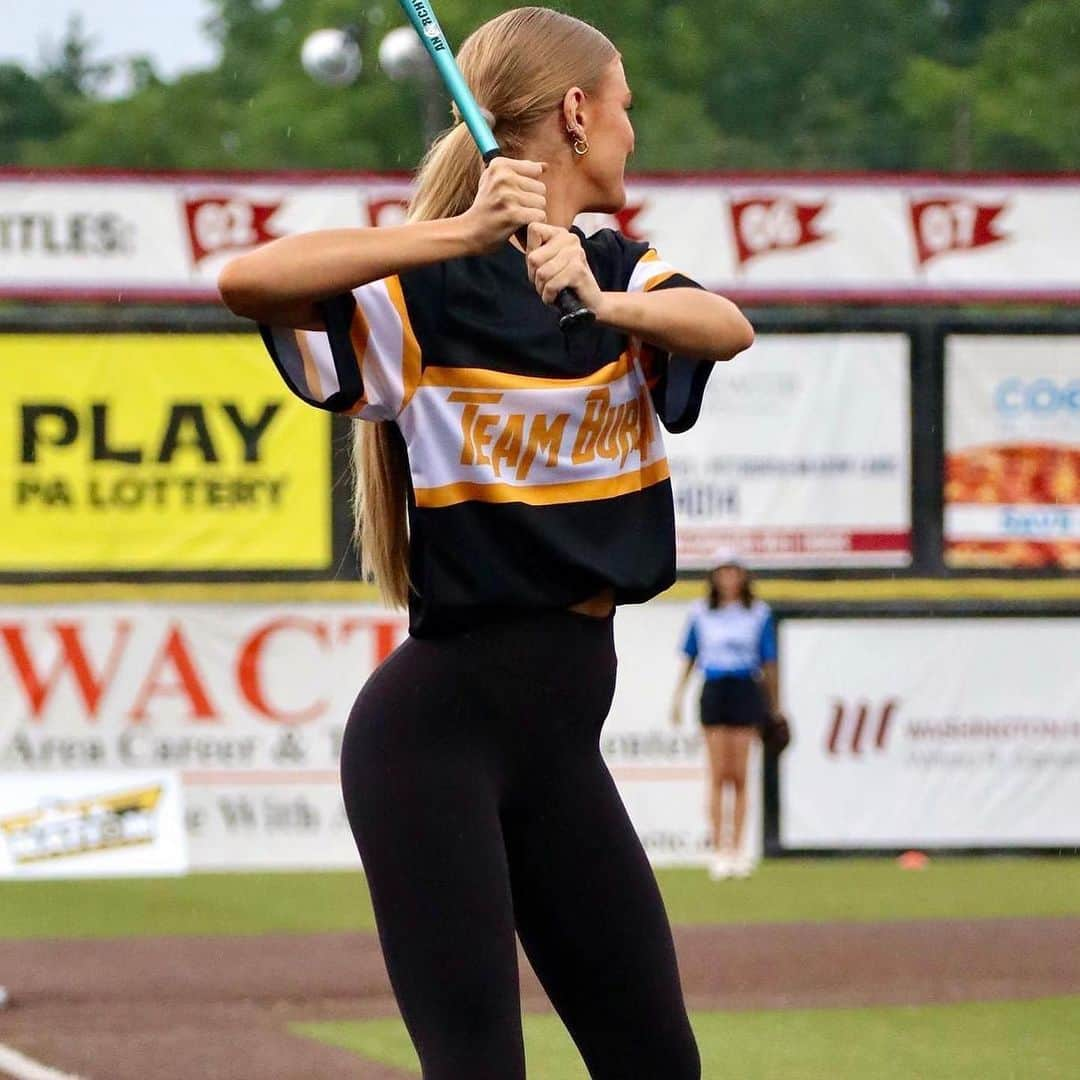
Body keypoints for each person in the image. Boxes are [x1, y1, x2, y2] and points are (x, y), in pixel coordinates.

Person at [218, 8, 753, 1078]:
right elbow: (248, 281)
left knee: (659, 1064)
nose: (632, 133)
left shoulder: (620, 271)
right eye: (624, 108)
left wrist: (600, 301)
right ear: (573, 113)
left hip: (558, 745)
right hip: (434, 743)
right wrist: (457, 235)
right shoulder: (433, 289)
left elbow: (727, 327)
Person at [670, 552, 779, 881]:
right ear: (714, 576)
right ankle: (719, 850)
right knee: (718, 774)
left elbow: (769, 662)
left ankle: (738, 849)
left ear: (744, 576)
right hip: (715, 687)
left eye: (734, 570)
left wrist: (774, 705)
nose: (729, 578)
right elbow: (690, 657)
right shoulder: (701, 613)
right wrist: (678, 697)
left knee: (740, 775)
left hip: (745, 687)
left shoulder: (758, 613)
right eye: (722, 571)